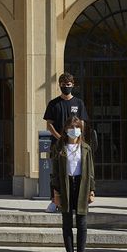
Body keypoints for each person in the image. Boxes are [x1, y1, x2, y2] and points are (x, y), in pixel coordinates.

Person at [51, 116, 95, 252]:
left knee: (82, 223)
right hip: (65, 185)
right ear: (65, 129)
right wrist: (55, 192)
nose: (73, 130)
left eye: (76, 127)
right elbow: (54, 172)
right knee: (67, 221)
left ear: (81, 130)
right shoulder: (60, 147)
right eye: (70, 127)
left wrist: (92, 189)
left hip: (82, 185)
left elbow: (90, 171)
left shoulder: (86, 148)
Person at [43, 73, 90, 213]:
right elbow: (49, 124)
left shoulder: (79, 103)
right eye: (63, 85)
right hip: (58, 145)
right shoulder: (54, 103)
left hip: (75, 145)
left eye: (68, 85)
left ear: (73, 85)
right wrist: (59, 138)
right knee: (56, 173)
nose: (66, 87)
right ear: (59, 85)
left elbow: (82, 123)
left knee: (75, 172)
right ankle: (54, 201)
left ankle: (76, 201)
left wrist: (79, 139)